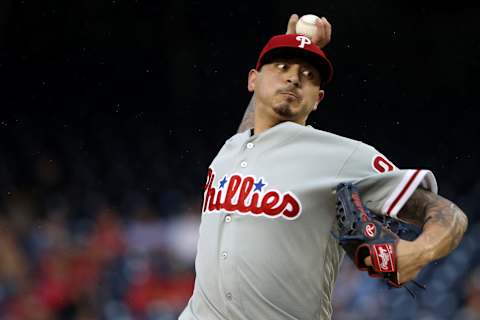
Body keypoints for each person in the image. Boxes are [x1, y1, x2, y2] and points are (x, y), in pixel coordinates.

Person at [179, 14, 468, 320]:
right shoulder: (231, 148)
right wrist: (293, 40)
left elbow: (450, 215)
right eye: (282, 67)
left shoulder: (340, 155)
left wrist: (417, 252)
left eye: (308, 74)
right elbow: (255, 130)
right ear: (253, 79)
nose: (293, 78)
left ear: (317, 99)